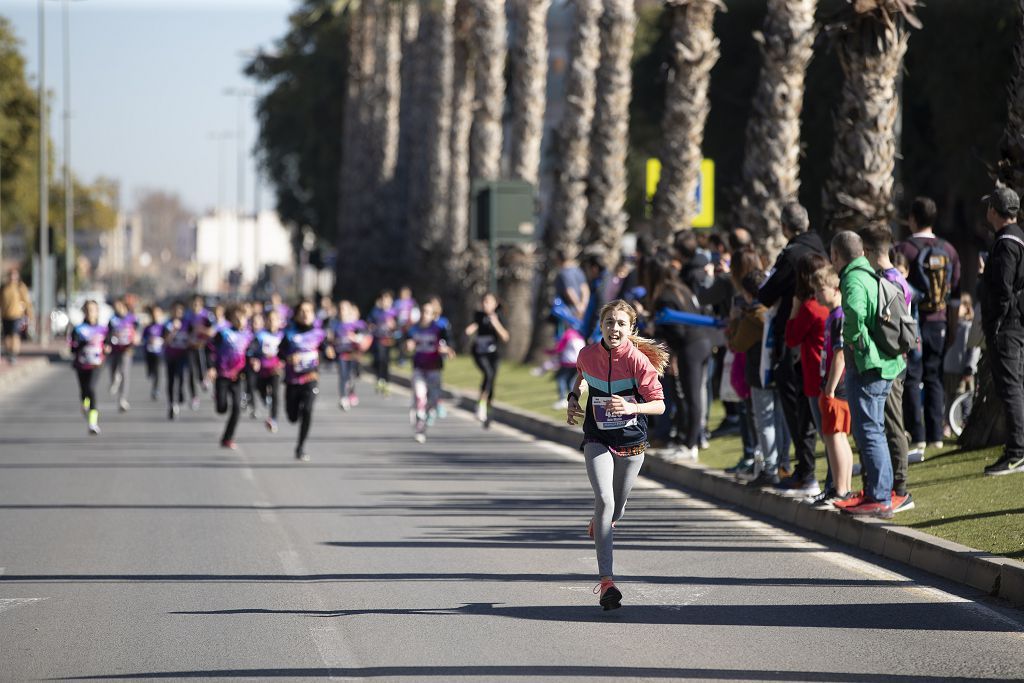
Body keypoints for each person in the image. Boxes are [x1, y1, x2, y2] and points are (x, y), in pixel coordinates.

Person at [566, 299, 667, 611]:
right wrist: (573, 397)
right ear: (601, 326)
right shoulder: (587, 354)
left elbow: (659, 404)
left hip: (631, 441)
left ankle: (601, 521)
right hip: (597, 436)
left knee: (617, 509)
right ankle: (607, 582)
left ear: (631, 328)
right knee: (605, 502)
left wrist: (632, 406)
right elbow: (580, 377)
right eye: (610, 322)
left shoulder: (638, 362)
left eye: (621, 324)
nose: (615, 329)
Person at [832, 230, 904, 518]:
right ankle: (880, 491)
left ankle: (879, 495)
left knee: (869, 431)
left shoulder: (852, 278)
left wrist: (852, 344)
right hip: (885, 363)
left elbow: (855, 315)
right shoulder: (871, 273)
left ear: (835, 256)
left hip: (868, 366)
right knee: (876, 429)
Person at [757, 203, 826, 494]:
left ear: (785, 227)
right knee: (807, 408)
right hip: (815, 338)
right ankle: (804, 469)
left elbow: (766, 293)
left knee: (798, 408)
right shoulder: (820, 246)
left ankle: (806, 472)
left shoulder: (792, 254)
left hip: (795, 338)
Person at [896, 197, 960, 454]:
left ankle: (917, 434)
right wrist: (952, 327)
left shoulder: (904, 249)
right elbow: (955, 295)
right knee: (934, 378)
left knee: (912, 378)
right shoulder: (950, 250)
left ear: (912, 218)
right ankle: (936, 434)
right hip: (940, 322)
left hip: (913, 323)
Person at [861, 224, 916, 512]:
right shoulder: (890, 277)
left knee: (893, 422)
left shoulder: (891, 281)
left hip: (893, 362)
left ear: (868, 250)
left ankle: (902, 489)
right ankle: (885, 484)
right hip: (890, 360)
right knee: (883, 422)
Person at [647, 250, 711, 462]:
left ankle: (690, 443)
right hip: (702, 342)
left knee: (691, 396)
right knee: (694, 396)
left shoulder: (664, 296)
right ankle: (690, 440)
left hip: (689, 347)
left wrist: (669, 352)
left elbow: (677, 331)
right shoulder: (680, 288)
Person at [727, 270, 787, 489]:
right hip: (778, 371)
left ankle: (770, 468)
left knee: (764, 421)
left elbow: (737, 344)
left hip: (759, 374)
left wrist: (734, 321)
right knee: (779, 420)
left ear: (747, 293)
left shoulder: (753, 316)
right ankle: (782, 464)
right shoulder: (776, 310)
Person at [979, 187, 1024, 476]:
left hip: (1006, 328)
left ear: (994, 212)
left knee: (1010, 388)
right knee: (1014, 386)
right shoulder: (1016, 238)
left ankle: (1017, 452)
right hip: (1012, 325)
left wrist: (994, 322)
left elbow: (1004, 290)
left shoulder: (1007, 243)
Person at [808, 267, 855, 508]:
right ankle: (842, 488)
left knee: (834, 438)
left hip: (836, 387)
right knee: (837, 438)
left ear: (836, 289)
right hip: (836, 386)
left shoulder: (838, 317)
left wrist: (830, 387)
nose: (816, 295)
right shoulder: (833, 315)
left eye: (820, 289)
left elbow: (840, 355)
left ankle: (840, 489)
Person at [279, 300, 334, 461]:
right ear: (296, 315)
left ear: (313, 315)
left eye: (309, 311)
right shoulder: (289, 333)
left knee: (308, 410)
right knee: (292, 417)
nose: (305, 314)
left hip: (310, 378)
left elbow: (326, 350)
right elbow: (279, 353)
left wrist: (329, 353)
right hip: (292, 380)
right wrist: (289, 358)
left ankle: (301, 447)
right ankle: (294, 415)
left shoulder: (319, 333)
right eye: (302, 311)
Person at [406, 296, 455, 443]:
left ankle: (424, 417)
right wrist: (408, 345)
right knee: (421, 396)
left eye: (428, 312)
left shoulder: (439, 329)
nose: (425, 315)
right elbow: (406, 342)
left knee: (433, 401)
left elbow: (448, 343)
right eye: (423, 311)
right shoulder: (414, 329)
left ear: (433, 315)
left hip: (434, 368)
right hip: (419, 368)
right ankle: (420, 427)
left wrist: (447, 350)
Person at [206, 304, 253, 450]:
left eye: (242, 317)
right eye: (236, 317)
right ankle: (219, 397)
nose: (239, 320)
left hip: (239, 376)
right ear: (230, 319)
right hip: (222, 374)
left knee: (237, 409)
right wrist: (211, 367)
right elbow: (210, 350)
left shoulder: (249, 336)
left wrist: (254, 363)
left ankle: (227, 438)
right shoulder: (223, 333)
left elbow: (252, 354)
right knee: (221, 408)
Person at [465, 292, 509, 427]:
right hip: (479, 352)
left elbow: (505, 337)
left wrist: (495, 322)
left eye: (489, 302)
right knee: (487, 374)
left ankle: (487, 412)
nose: (486, 304)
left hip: (493, 354)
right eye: (484, 301)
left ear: (495, 304)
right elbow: (472, 327)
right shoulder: (478, 315)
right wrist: (471, 329)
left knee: (491, 380)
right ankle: (481, 406)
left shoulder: (500, 316)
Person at [69, 300, 108, 435]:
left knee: (91, 389)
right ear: (84, 312)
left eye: (93, 309)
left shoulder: (103, 329)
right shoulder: (78, 329)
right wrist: (82, 344)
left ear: (97, 312)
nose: (90, 312)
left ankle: (93, 423)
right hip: (81, 364)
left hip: (96, 364)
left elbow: (108, 345)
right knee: (84, 390)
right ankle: (84, 403)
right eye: (87, 310)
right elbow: (72, 349)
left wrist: (107, 348)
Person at [943, 293, 980, 432]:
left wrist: (970, 367)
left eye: (960, 306)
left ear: (967, 307)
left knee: (964, 398)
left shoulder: (969, 327)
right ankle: (947, 424)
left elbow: (974, 348)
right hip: (950, 368)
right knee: (949, 398)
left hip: (963, 369)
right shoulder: (951, 327)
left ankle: (965, 423)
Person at [331, 301, 370, 411]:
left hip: (353, 354)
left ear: (350, 310)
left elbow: (365, 336)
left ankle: (351, 391)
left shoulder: (357, 324)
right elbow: (331, 339)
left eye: (345, 309)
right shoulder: (336, 324)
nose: (343, 311)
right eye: (341, 309)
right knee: (342, 376)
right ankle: (343, 398)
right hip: (341, 354)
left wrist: (357, 338)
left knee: (351, 376)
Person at [251, 308, 285, 432]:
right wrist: (254, 359)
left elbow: (287, 352)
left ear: (279, 322)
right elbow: (251, 351)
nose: (272, 322)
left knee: (275, 392)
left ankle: (273, 419)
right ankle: (266, 398)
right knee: (259, 388)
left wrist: (283, 362)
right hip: (262, 369)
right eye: (269, 320)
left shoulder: (283, 336)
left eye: (274, 320)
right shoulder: (260, 336)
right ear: (265, 321)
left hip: (276, 369)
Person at [106, 298, 138, 413]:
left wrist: (135, 340)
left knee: (125, 373)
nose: (117, 308)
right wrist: (108, 343)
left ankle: (122, 399)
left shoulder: (132, 318)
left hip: (127, 349)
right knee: (113, 369)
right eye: (115, 306)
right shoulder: (112, 319)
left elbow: (136, 332)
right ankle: (114, 380)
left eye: (119, 306)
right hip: (114, 349)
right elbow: (107, 334)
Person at [162, 301, 192, 420]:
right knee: (170, 379)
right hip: (171, 354)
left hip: (182, 354)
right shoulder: (168, 324)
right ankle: (171, 403)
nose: (177, 313)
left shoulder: (187, 323)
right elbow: (165, 341)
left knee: (180, 376)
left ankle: (180, 395)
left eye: (179, 311)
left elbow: (191, 337)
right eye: (175, 311)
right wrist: (173, 331)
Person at [1, 268, 33, 364]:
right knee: (7, 336)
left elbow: (27, 301)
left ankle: (14, 354)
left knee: (15, 335)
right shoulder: (4, 288)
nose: (12, 277)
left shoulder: (20, 287)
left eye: (14, 275)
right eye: (11, 275)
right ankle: (8, 352)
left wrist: (29, 313)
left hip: (16, 315)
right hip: (5, 315)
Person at [369, 290, 397, 395]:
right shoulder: (376, 311)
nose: (385, 301)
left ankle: (386, 380)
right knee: (379, 359)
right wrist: (371, 326)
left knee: (386, 360)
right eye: (384, 299)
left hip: (389, 339)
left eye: (388, 299)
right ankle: (380, 378)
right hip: (378, 339)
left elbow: (399, 326)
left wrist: (394, 325)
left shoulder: (394, 312)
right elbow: (370, 322)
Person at [553, 249, 589, 324]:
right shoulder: (578, 270)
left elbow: (569, 291)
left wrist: (578, 306)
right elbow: (585, 289)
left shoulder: (562, 273)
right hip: (582, 310)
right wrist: (583, 305)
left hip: (569, 311)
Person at [142, 305, 164, 400]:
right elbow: (143, 338)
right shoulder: (148, 327)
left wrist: (160, 340)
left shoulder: (162, 327)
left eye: (157, 314)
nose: (155, 316)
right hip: (149, 351)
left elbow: (166, 337)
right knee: (150, 371)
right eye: (154, 314)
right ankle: (150, 372)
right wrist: (148, 340)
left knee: (157, 371)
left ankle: (156, 389)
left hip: (158, 352)